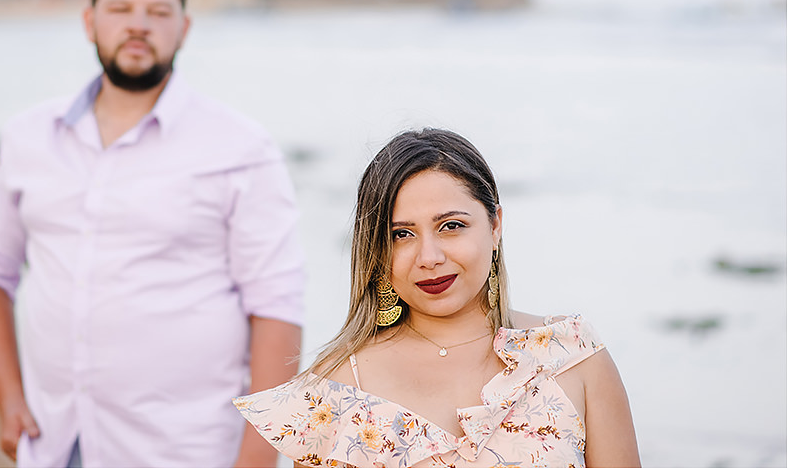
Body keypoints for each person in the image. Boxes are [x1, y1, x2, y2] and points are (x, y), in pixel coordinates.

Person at [0, 0, 304, 468]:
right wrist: (8, 399)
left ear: (184, 28)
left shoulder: (241, 148)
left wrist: (259, 459)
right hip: (54, 443)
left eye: (159, 11)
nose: (139, 24)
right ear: (89, 20)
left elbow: (277, 308)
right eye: (120, 7)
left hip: (183, 451)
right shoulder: (31, 137)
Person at [234, 128, 640, 467]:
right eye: (402, 234)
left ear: (495, 224)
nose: (429, 257)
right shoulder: (337, 386)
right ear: (376, 249)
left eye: (450, 226)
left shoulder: (572, 356)